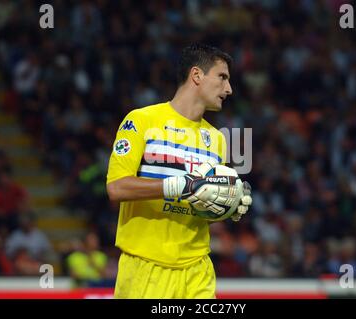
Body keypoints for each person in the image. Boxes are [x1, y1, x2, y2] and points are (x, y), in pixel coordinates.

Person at [106, 43, 252, 299]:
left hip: (198, 268)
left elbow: (200, 202)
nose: (229, 89)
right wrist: (177, 186)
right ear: (197, 75)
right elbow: (116, 188)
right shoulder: (141, 120)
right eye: (222, 77)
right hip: (146, 267)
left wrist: (227, 204)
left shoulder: (216, 139)